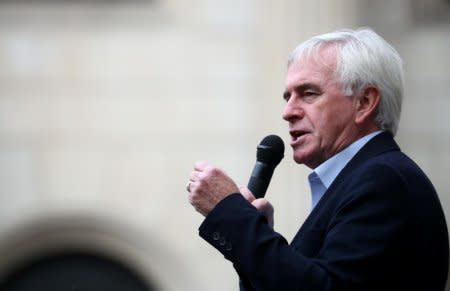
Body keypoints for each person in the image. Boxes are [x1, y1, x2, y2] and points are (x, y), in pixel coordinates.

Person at [186, 27, 449, 291]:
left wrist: (231, 214)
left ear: (364, 102)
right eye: (287, 97)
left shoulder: (383, 180)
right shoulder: (359, 180)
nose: (287, 112)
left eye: (308, 93)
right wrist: (256, 237)